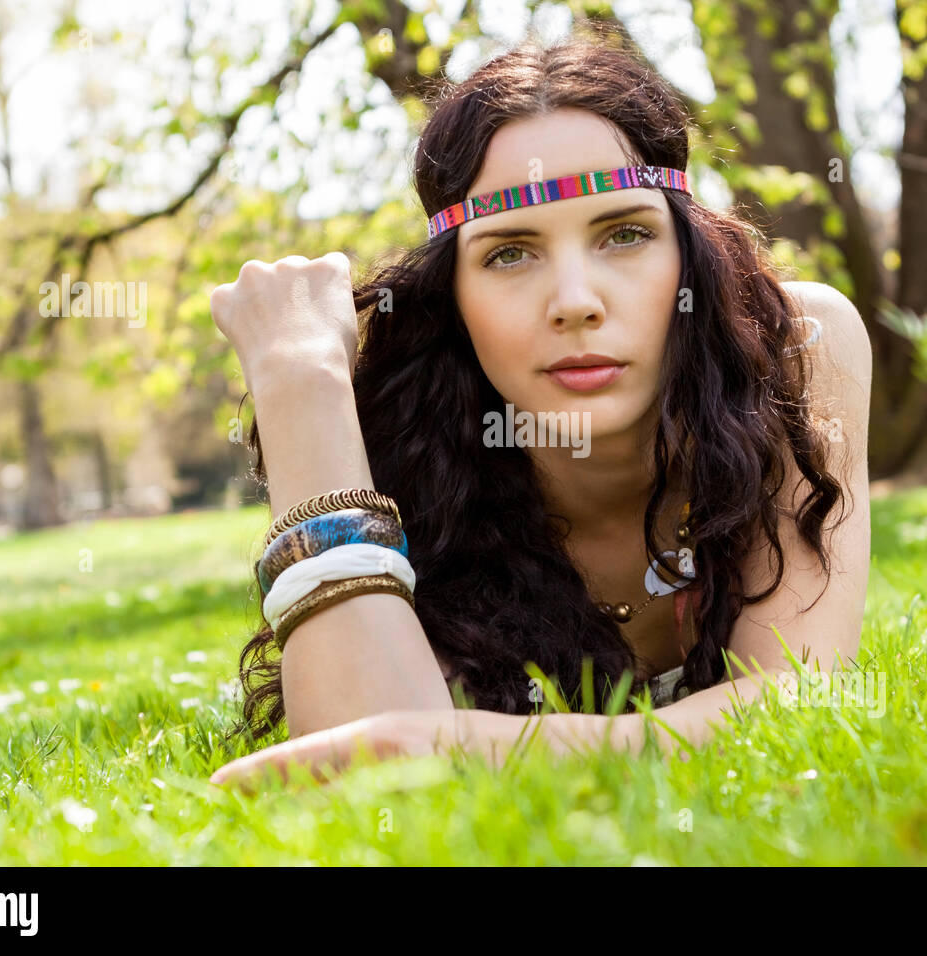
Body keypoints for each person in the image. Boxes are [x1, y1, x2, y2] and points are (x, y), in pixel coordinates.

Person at [208, 32, 872, 786]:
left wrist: (459, 745)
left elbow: (801, 701)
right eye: (509, 253)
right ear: (451, 295)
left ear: (690, 255)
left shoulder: (794, 347)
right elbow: (370, 793)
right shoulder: (398, 442)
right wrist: (301, 384)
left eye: (624, 234)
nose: (576, 303)